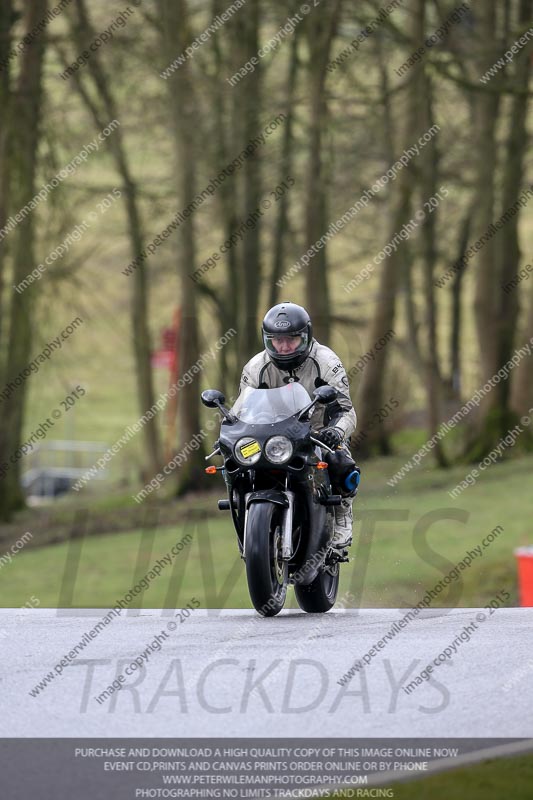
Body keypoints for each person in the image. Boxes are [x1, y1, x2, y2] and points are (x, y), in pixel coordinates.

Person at [239, 301, 358, 554]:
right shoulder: (255, 367)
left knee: (340, 463)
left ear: (306, 337)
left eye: (291, 340)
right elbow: (243, 410)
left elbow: (345, 410)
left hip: (316, 431)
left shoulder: (326, 362)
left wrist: (335, 432)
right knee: (237, 465)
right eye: (276, 340)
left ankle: (341, 517)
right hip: (269, 435)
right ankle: (249, 525)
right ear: (267, 340)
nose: (283, 347)